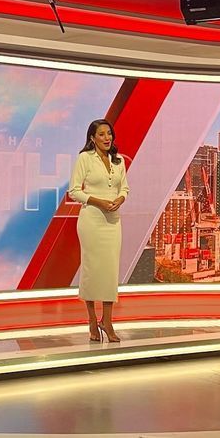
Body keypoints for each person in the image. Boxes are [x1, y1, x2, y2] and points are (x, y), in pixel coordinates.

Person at [68, 119, 129, 343]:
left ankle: (107, 321)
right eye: (101, 134)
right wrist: (98, 201)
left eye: (109, 133)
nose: (107, 138)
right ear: (92, 138)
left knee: (110, 271)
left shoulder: (119, 160)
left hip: (113, 222)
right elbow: (74, 191)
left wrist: (120, 199)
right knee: (92, 270)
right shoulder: (85, 158)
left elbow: (125, 188)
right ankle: (93, 320)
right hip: (92, 221)